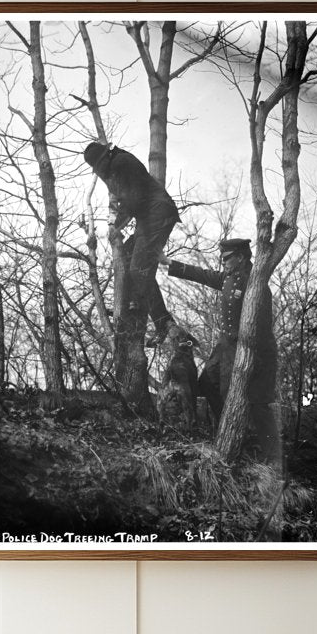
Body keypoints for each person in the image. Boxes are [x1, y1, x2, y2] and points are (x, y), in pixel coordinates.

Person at [162, 237, 279, 460]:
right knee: (206, 383)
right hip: (225, 346)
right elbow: (206, 275)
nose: (222, 262)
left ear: (241, 258)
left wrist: (251, 357)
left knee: (244, 400)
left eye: (227, 258)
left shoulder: (255, 283)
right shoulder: (230, 276)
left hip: (246, 348)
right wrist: (170, 263)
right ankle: (227, 431)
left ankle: (255, 451)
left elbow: (262, 326)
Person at [83, 142, 178, 344]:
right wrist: (112, 220)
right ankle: (134, 301)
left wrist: (116, 225)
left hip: (158, 214)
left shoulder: (122, 163)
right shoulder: (111, 168)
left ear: (106, 157)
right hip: (149, 217)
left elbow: (134, 200)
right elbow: (118, 198)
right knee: (127, 255)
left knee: (138, 269)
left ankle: (163, 323)